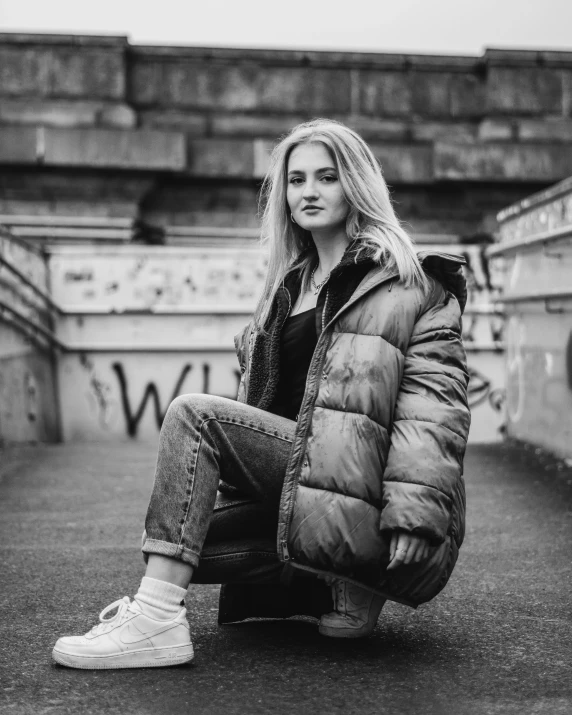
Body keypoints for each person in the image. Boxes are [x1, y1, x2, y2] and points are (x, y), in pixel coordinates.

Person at [52, 119, 470, 669]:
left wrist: (415, 516)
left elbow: (434, 411)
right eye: (296, 180)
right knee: (181, 538)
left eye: (327, 176)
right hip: (303, 482)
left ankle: (157, 621)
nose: (309, 192)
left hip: (360, 490)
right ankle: (334, 583)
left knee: (193, 415)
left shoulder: (410, 285)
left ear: (357, 185)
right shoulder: (286, 290)